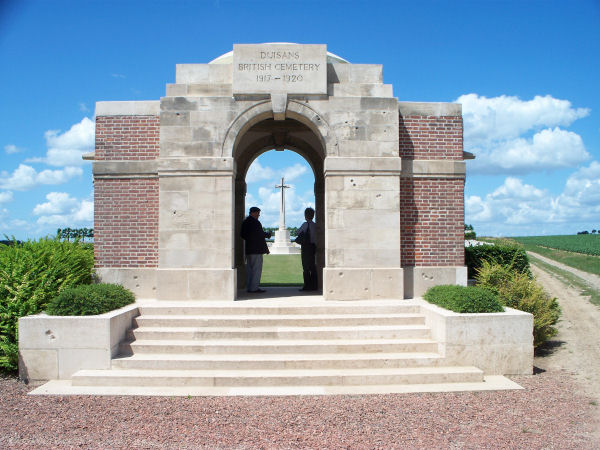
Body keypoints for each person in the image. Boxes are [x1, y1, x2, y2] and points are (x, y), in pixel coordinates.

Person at [240, 206, 272, 293]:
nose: (259, 215)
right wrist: (268, 234)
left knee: (249, 269)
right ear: (253, 213)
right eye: (258, 213)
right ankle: (254, 288)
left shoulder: (245, 222)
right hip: (256, 249)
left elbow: (242, 234)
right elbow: (260, 234)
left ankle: (249, 287)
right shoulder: (255, 222)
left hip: (248, 249)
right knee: (256, 269)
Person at [296, 207, 318, 291]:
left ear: (305, 216)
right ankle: (314, 286)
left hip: (305, 247)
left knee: (305, 267)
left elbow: (297, 232)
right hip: (313, 247)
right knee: (312, 266)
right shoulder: (315, 225)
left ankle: (307, 286)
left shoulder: (305, 224)